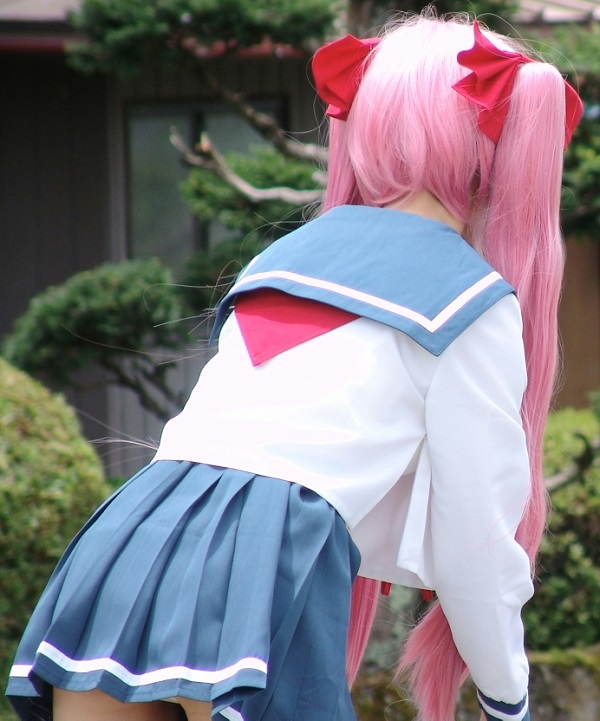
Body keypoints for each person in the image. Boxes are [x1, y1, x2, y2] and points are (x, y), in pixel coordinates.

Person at [6, 12, 582, 721]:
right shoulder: (470, 300)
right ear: (503, 149)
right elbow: (475, 550)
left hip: (126, 541)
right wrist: (507, 695)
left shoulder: (275, 261)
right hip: (263, 565)